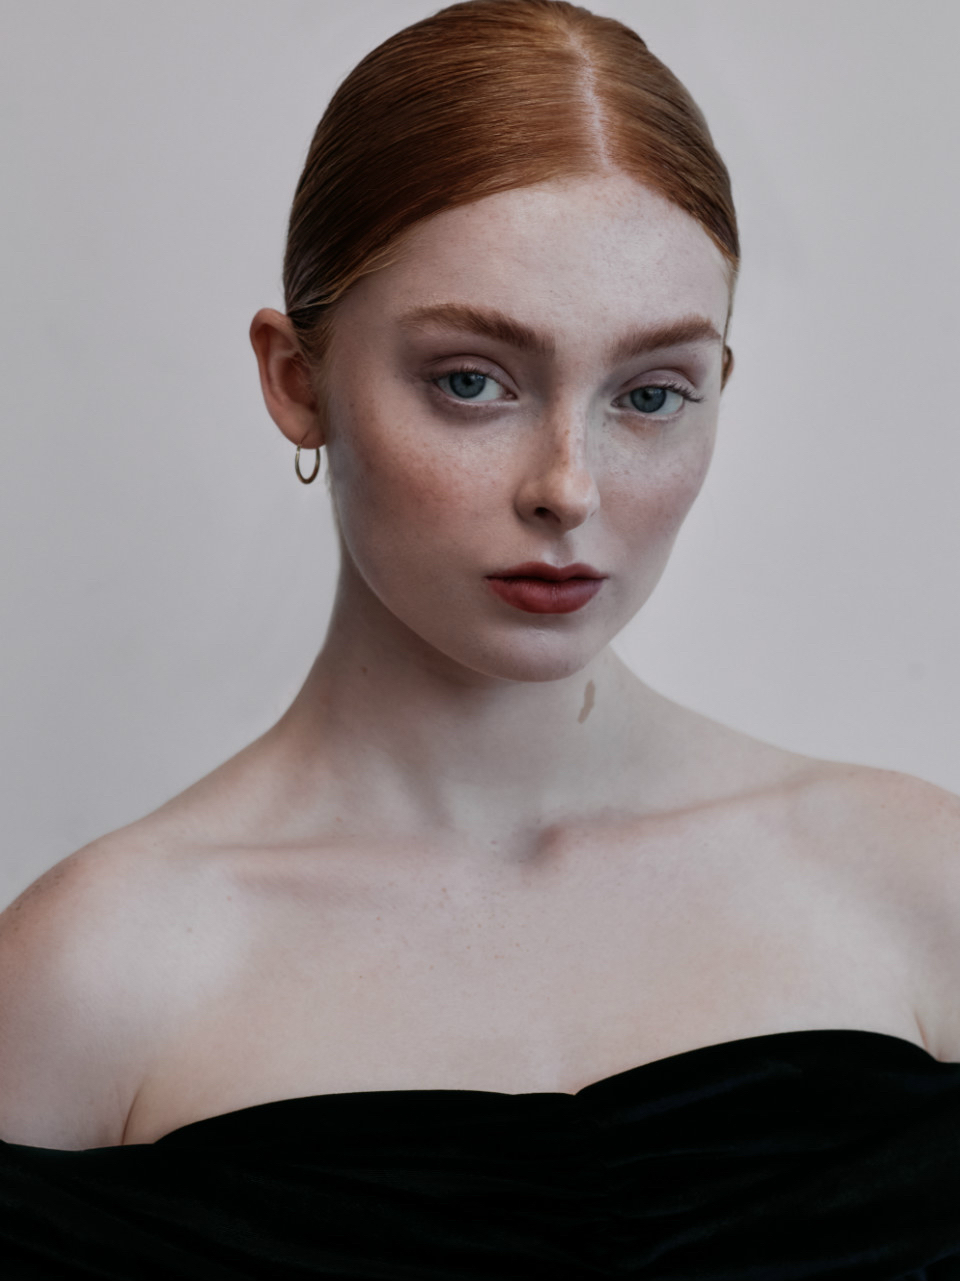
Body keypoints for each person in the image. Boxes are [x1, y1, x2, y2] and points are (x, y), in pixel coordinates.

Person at [1, 1, 959, 1276]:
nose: (569, 487)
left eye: (651, 393)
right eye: (471, 381)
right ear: (297, 380)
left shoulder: (915, 884)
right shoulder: (91, 975)